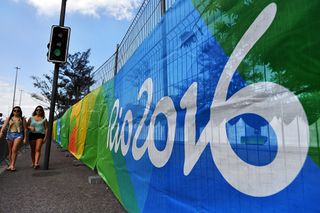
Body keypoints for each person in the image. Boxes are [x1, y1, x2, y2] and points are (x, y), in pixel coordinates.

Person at [0, 106, 27, 171]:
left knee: (14, 150)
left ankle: (13, 165)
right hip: (9, 134)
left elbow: (25, 129)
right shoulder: (9, 118)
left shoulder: (22, 119)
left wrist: (25, 138)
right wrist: (1, 132)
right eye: (15, 110)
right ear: (13, 111)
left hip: (18, 135)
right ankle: (10, 165)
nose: (16, 112)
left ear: (20, 112)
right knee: (10, 151)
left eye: (18, 111)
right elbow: (4, 125)